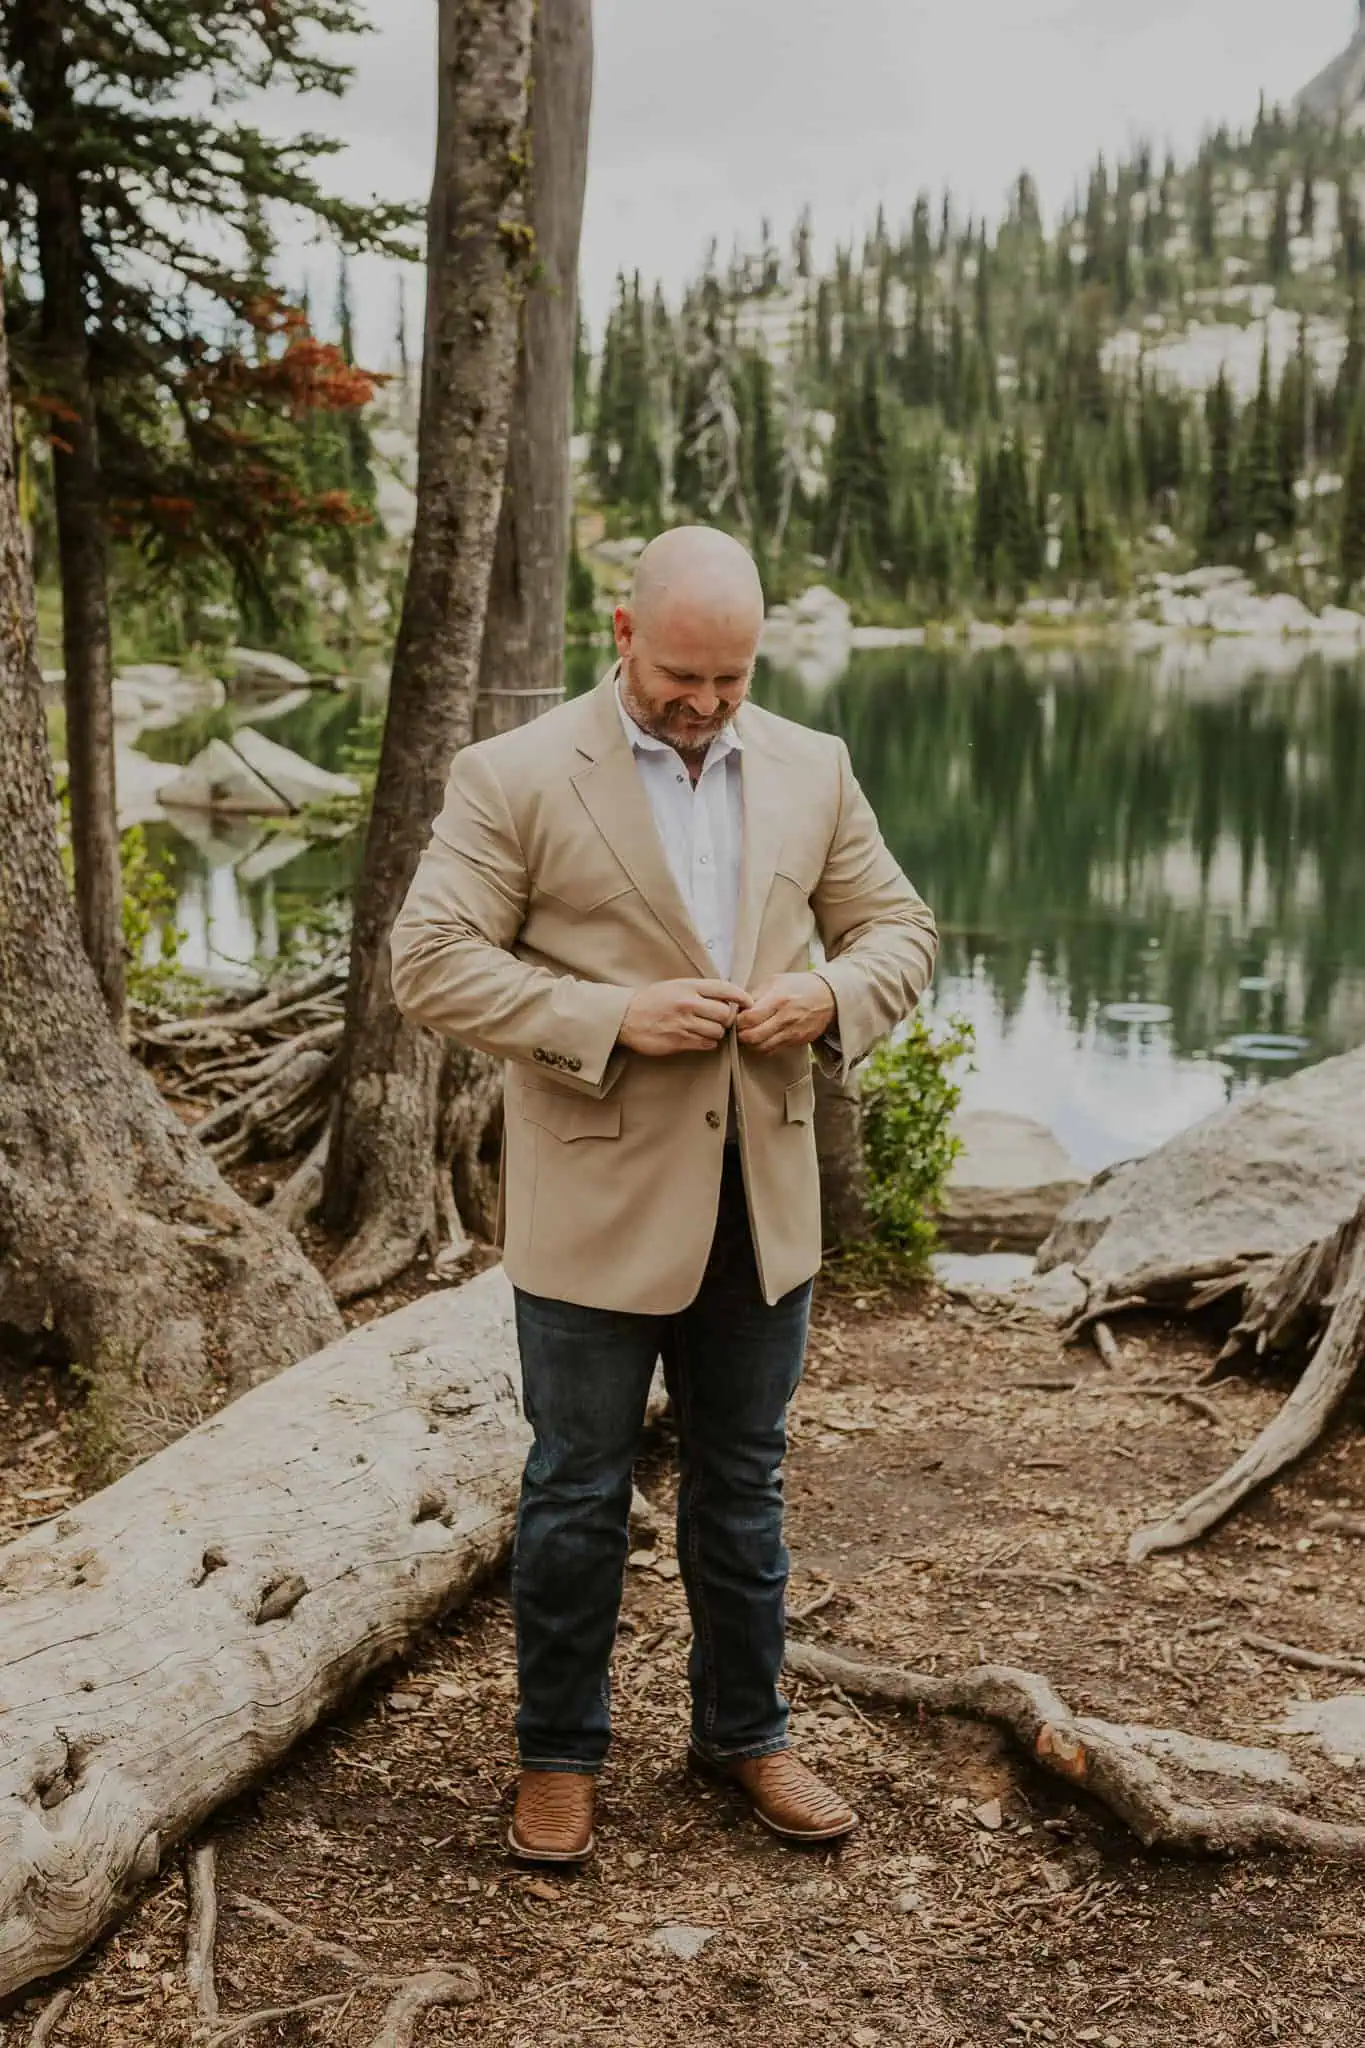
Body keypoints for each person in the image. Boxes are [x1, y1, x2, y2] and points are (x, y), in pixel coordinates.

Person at [390, 525, 937, 1863]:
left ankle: (745, 1735)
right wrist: (609, 1016)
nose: (704, 704)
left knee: (743, 1487)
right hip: (593, 1205)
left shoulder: (814, 766)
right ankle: (557, 1757)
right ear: (623, 633)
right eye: (682, 676)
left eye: (731, 680)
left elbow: (902, 931)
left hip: (762, 1203)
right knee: (575, 1492)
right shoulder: (515, 774)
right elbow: (430, 959)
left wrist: (831, 994)